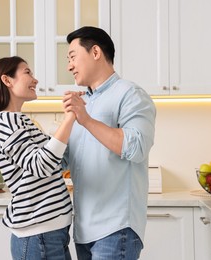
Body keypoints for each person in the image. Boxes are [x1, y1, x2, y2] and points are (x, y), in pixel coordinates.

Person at [62, 26, 156, 259]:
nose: (69, 66)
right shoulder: (84, 103)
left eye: (73, 57)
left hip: (116, 228)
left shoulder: (130, 94)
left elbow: (137, 147)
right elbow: (64, 162)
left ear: (95, 52)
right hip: (83, 230)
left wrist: (85, 119)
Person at [0, 56, 75, 260]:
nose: (35, 79)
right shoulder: (4, 121)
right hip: (38, 234)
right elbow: (40, 165)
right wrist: (70, 118)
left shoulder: (22, 121)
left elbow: (58, 163)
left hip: (50, 232)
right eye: (27, 73)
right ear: (7, 80)